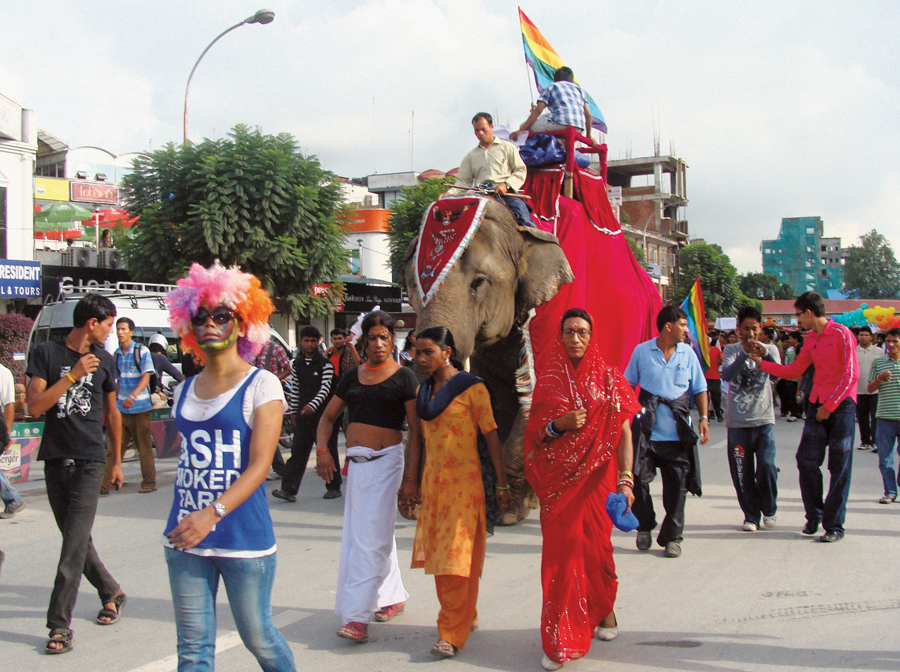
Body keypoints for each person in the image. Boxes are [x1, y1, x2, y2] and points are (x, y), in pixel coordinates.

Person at [163, 262, 296, 671]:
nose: (209, 324)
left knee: (259, 639)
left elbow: (259, 466)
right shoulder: (182, 389)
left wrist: (212, 513)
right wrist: (196, 519)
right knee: (193, 651)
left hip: (244, 538)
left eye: (222, 315)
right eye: (200, 317)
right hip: (186, 537)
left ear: (242, 323)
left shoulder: (262, 384)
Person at [523, 309, 640, 671]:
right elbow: (535, 437)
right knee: (561, 558)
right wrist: (558, 425)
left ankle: (604, 609)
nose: (575, 338)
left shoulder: (609, 378)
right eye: (569, 331)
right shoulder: (549, 382)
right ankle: (562, 636)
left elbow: (624, 433)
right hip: (560, 485)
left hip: (598, 481)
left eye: (582, 331)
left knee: (596, 550)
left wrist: (626, 477)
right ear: (561, 336)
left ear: (592, 335)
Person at [400, 327, 510, 658]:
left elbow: (491, 436)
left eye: (427, 352)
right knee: (442, 559)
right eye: (417, 352)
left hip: (466, 487)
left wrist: (502, 484)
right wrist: (411, 480)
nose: (420, 358)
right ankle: (466, 613)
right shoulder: (423, 392)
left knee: (456, 559)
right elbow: (417, 440)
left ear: (447, 352)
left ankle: (451, 631)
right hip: (434, 487)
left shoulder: (471, 389)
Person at [26, 293, 126, 655]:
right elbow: (34, 406)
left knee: (71, 547)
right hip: (56, 458)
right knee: (77, 540)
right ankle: (111, 591)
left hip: (89, 461)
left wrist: (115, 461)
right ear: (91, 323)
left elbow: (113, 415)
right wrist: (71, 375)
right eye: (109, 325)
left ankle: (59, 625)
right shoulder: (47, 355)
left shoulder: (106, 361)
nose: (112, 332)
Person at [315, 310, 420, 643]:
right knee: (368, 534)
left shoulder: (405, 378)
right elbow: (328, 418)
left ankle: (357, 618)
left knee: (367, 539)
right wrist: (322, 452)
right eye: (372, 338)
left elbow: (416, 432)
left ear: (393, 341)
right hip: (356, 467)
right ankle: (392, 595)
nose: (378, 344)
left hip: (388, 463)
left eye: (384, 338)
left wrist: (411, 479)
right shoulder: (351, 377)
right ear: (364, 340)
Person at [751, 292, 859, 543]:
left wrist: (830, 406)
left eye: (799, 314)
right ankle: (815, 515)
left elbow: (851, 375)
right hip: (816, 406)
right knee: (806, 461)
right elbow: (794, 370)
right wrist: (762, 364)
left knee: (839, 467)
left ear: (809, 312)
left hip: (840, 407)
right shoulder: (811, 339)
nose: (798, 320)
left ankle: (834, 526)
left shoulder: (842, 334)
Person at [624, 305, 710, 559]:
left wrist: (703, 417)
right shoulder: (642, 352)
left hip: (678, 434)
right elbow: (628, 384)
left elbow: (700, 388)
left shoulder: (688, 354)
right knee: (638, 480)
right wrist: (627, 418)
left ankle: (672, 538)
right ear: (668, 326)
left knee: (677, 488)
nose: (686, 330)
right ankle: (644, 525)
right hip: (647, 434)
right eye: (683, 325)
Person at [720, 305, 781, 532]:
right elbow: (726, 374)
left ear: (760, 328)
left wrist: (765, 357)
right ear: (738, 329)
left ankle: (770, 508)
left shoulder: (771, 349)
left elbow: (777, 375)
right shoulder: (731, 350)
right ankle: (751, 515)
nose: (751, 334)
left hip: (764, 420)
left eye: (755, 329)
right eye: (746, 329)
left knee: (766, 466)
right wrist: (745, 353)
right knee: (741, 471)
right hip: (737, 424)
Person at [272, 326, 341, 501]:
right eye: (306, 340)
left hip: (323, 417)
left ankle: (333, 487)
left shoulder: (325, 364)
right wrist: (294, 410)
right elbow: (295, 389)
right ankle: (289, 490)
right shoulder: (297, 364)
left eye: (313, 341)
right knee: (297, 453)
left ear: (318, 341)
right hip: (303, 416)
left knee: (328, 451)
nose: (310, 344)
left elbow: (325, 389)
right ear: (301, 342)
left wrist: (313, 405)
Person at [101, 317, 157, 495]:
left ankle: (149, 482)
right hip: (121, 409)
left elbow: (146, 376)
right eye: (118, 329)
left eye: (124, 329)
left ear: (131, 332)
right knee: (114, 448)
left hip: (140, 408)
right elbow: (117, 381)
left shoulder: (141, 351)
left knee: (144, 447)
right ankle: (104, 485)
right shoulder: (117, 354)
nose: (120, 332)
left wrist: (133, 397)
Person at [451, 112, 534, 229]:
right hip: (481, 196)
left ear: (491, 127)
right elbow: (463, 182)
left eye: (483, 129)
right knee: (457, 224)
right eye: (476, 130)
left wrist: (506, 185)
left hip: (505, 194)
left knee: (523, 218)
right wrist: (449, 194)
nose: (480, 133)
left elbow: (520, 170)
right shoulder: (470, 156)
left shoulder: (507, 147)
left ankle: (538, 244)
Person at [510, 66, 592, 143]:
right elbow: (588, 115)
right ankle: (560, 143)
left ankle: (531, 153)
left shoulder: (552, 87)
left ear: (555, 79)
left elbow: (538, 110)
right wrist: (588, 135)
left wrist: (520, 131)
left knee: (524, 127)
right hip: (579, 128)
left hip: (560, 123)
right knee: (546, 116)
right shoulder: (580, 91)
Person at [251, 337, 292, 480]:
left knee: (265, 431)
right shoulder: (247, 349)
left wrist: (273, 380)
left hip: (269, 395)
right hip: (252, 394)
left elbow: (288, 369)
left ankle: (277, 468)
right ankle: (274, 467)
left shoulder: (275, 349)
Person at [867, 328, 900, 503]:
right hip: (885, 417)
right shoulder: (879, 363)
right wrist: (879, 379)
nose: (891, 345)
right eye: (888, 341)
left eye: (895, 341)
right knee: (885, 458)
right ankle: (890, 492)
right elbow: (870, 389)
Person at [1, 362, 25, 520]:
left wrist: (7, 433)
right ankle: (13, 498)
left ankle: (13, 498)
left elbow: (9, 405)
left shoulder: (3, 373)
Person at [855, 326, 882, 451]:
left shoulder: (879, 351)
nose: (864, 337)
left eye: (866, 335)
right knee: (862, 417)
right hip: (859, 390)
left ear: (871, 337)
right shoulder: (854, 351)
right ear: (858, 336)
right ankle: (865, 441)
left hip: (875, 390)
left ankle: (875, 441)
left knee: (875, 416)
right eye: (861, 335)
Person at [148, 333, 185, 405]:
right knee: (163, 400)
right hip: (151, 393)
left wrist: (160, 385)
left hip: (141, 391)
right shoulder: (160, 358)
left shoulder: (146, 355)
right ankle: (151, 415)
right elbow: (176, 374)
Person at [705, 337, 725, 422]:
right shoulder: (699, 351)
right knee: (705, 399)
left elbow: (722, 359)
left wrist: (720, 361)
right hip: (704, 378)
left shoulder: (716, 349)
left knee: (716, 398)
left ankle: (718, 413)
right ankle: (706, 417)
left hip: (715, 377)